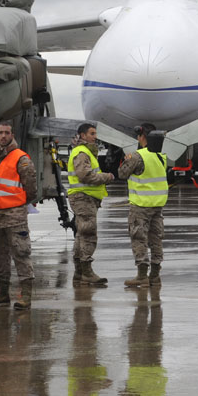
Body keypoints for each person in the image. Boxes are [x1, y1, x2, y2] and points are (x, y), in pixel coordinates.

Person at [0, 120, 38, 310]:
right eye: (0, 133)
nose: (3, 136)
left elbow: (31, 187)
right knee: (0, 255)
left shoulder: (20, 158)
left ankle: (26, 296)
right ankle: (1, 292)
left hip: (15, 216)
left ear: (12, 135)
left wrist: (19, 202)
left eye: (7, 133)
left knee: (21, 253)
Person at [118, 124, 168, 288]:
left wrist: (126, 160)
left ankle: (141, 276)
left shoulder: (137, 156)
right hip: (157, 206)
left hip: (140, 205)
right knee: (156, 240)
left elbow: (122, 174)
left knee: (139, 238)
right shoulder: (161, 156)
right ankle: (155, 276)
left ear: (141, 136)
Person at [68, 122, 116, 285]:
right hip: (83, 198)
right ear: (83, 136)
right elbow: (85, 175)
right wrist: (106, 177)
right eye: (92, 134)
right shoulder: (82, 152)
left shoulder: (86, 151)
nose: (95, 137)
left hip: (86, 198)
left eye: (95, 134)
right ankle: (86, 272)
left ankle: (80, 272)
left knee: (81, 234)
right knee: (88, 233)